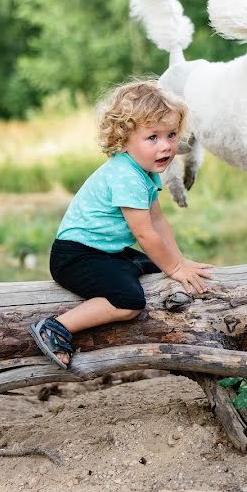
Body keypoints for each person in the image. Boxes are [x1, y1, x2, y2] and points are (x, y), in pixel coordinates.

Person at [30, 80, 214, 368]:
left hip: (105, 250)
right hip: (76, 256)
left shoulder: (144, 172)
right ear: (124, 137)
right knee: (129, 301)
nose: (166, 145)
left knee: (156, 266)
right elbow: (143, 233)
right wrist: (175, 267)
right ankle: (57, 326)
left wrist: (178, 261)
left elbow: (157, 221)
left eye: (171, 134)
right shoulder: (126, 176)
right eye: (152, 137)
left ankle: (163, 273)